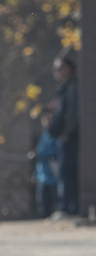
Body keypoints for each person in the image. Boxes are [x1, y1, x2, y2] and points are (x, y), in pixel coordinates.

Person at [48, 55, 79, 217]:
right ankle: (67, 206)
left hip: (69, 138)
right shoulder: (63, 89)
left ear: (68, 69)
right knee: (63, 171)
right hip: (62, 137)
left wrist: (66, 133)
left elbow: (73, 114)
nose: (56, 72)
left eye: (59, 68)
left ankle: (69, 208)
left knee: (67, 172)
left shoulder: (73, 88)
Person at [32, 108, 59, 219]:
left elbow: (55, 154)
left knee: (56, 204)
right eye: (45, 118)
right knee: (42, 207)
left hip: (54, 177)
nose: (47, 120)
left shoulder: (56, 134)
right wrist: (35, 174)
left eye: (49, 118)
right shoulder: (43, 135)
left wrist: (42, 154)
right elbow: (39, 157)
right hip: (42, 177)